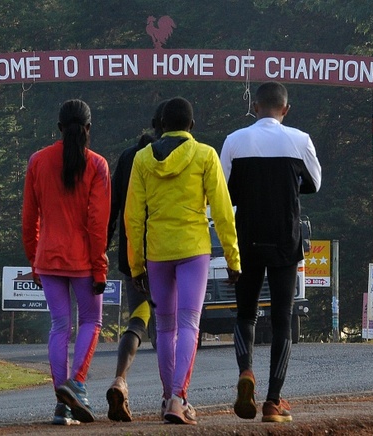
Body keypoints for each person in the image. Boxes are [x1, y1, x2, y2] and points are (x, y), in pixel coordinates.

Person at [125, 97, 241, 425]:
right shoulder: (204, 155)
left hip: (157, 252)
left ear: (161, 125)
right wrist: (233, 259)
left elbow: (133, 216)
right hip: (193, 249)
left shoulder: (143, 159)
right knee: (190, 323)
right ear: (191, 125)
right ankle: (179, 398)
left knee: (164, 327)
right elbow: (221, 210)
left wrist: (136, 265)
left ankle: (167, 398)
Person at [220, 82, 321, 423]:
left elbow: (224, 192)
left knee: (245, 315)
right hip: (285, 240)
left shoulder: (234, 141)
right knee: (281, 320)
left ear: (255, 107)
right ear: (285, 109)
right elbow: (314, 183)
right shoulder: (300, 139)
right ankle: (273, 402)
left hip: (247, 238)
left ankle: (246, 372)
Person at [21, 99, 111, 426]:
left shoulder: (38, 161)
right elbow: (97, 224)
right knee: (92, 322)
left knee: (60, 326)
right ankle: (77, 384)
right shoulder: (97, 165)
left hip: (48, 258)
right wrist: (100, 267)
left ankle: (62, 402)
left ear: (59, 128)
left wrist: (34, 260)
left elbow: (29, 219)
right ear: (88, 128)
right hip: (84, 260)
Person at [105, 101, 167, 422]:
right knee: (167, 327)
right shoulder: (174, 154)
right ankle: (169, 396)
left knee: (138, 319)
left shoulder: (129, 156)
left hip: (132, 256)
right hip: (167, 253)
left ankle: (120, 380)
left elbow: (114, 206)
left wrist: (104, 244)